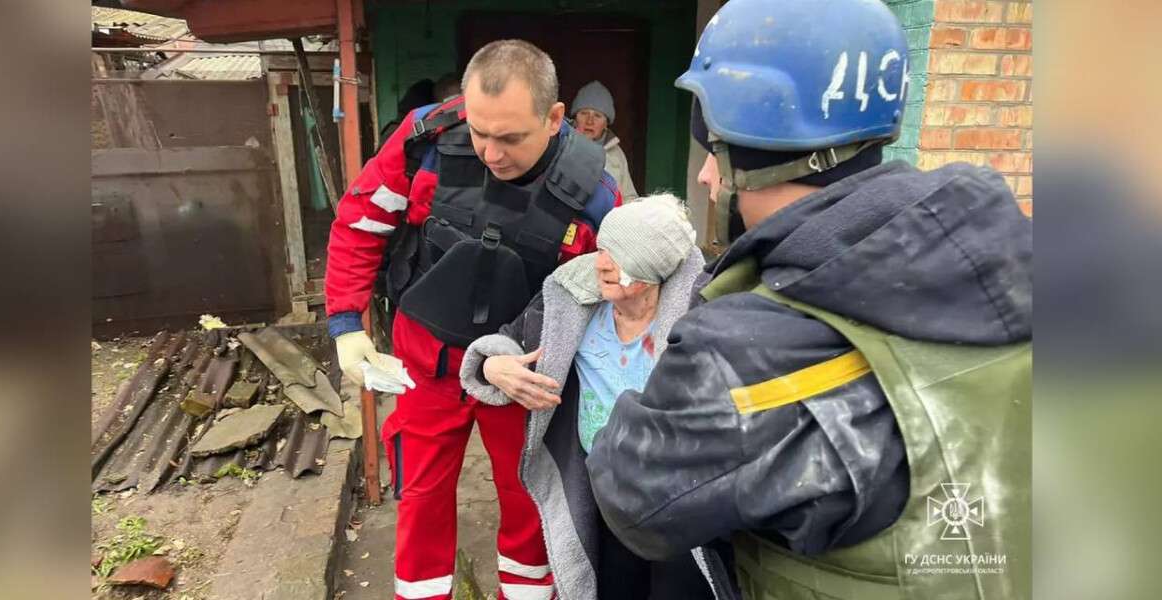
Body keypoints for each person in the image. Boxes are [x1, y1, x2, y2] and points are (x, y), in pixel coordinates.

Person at [586, 1, 1032, 599]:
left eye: (713, 150)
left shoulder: (742, 348)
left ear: (741, 156)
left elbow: (630, 497)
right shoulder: (1021, 259)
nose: (704, 178)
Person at [326, 39, 622, 600]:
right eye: (480, 132)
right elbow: (361, 222)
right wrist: (346, 323)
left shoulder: (594, 192)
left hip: (523, 372)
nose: (490, 152)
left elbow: (616, 288)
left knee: (528, 499)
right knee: (420, 498)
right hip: (427, 358)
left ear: (555, 118)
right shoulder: (426, 140)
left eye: (510, 137)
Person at [458, 194, 713, 600]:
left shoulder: (704, 312)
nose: (602, 263)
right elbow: (508, 340)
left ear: (656, 267)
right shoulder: (572, 297)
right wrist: (491, 366)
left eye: (621, 254)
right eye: (603, 250)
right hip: (605, 492)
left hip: (679, 497)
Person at [571, 81, 638, 201]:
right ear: (575, 118)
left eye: (597, 116)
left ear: (606, 124)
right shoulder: (563, 146)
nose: (590, 121)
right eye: (584, 113)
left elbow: (629, 197)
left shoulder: (616, 153)